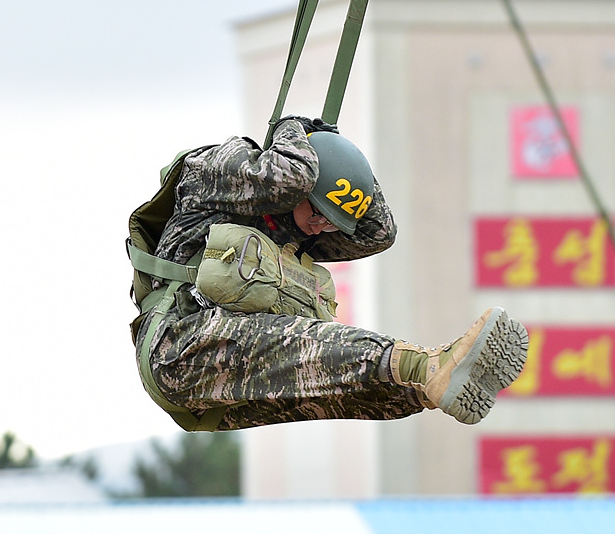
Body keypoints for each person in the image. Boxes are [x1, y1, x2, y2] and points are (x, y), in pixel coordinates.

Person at [129, 116, 529, 432]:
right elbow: (293, 177)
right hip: (179, 348)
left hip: (224, 390)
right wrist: (295, 129)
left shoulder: (297, 225)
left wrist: (339, 158)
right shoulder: (213, 173)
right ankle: (424, 364)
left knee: (358, 391)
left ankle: (428, 383)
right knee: (309, 343)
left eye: (331, 221)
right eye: (318, 211)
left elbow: (379, 231)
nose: (321, 226)